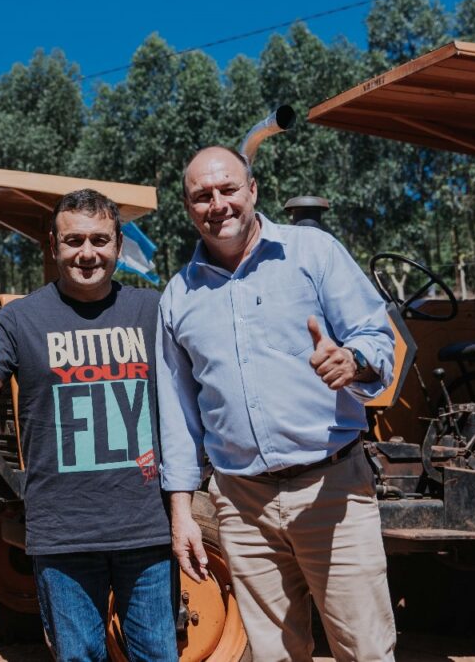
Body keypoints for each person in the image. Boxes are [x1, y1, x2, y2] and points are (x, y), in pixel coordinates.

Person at [157, 146, 397, 662]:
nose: (217, 204)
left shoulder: (313, 252)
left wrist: (354, 361)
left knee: (366, 651)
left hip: (331, 489)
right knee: (274, 655)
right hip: (242, 508)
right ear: (188, 207)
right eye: (202, 195)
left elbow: (377, 335)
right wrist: (181, 512)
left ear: (253, 192)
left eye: (228, 190)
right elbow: (177, 415)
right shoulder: (178, 296)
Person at [0, 188, 177, 661]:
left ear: (118, 244)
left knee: (158, 654)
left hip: (146, 527)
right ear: (53, 246)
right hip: (63, 531)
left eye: (100, 240)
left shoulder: (153, 311)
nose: (87, 253)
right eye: (74, 241)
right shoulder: (19, 320)